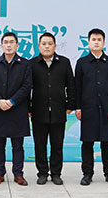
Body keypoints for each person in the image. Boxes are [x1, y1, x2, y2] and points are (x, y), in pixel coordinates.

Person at [74, 28, 108, 186]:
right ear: (88, 42)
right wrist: (78, 107)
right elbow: (77, 87)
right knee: (87, 142)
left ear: (103, 42)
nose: (96, 42)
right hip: (88, 109)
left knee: (107, 142)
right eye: (93, 40)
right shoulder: (82, 63)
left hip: (107, 107)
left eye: (99, 40)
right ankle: (87, 174)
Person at [0, 32, 32, 186]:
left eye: (12, 42)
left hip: (17, 109)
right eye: (5, 42)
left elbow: (27, 86)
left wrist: (12, 101)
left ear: (17, 45)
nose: (9, 45)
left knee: (17, 145)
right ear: (1, 45)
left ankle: (18, 174)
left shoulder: (25, 64)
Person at [29, 32, 75, 185]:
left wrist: (70, 105)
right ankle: (42, 173)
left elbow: (71, 85)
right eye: (44, 44)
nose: (47, 46)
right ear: (39, 46)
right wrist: (28, 108)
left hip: (58, 110)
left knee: (57, 145)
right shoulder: (32, 63)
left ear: (55, 46)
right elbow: (27, 88)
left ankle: (56, 173)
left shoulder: (64, 62)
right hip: (38, 111)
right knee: (39, 145)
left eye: (50, 43)